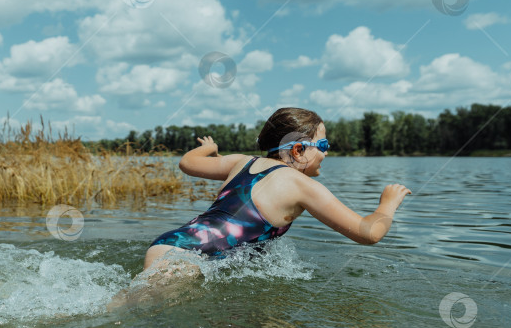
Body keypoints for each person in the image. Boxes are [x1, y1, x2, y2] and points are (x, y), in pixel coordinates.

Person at [142, 107, 412, 272]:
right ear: (299, 149)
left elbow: (187, 162)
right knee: (122, 311)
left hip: (169, 245)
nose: (327, 154)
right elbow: (369, 233)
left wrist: (210, 149)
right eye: (324, 146)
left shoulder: (241, 162)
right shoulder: (303, 186)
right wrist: (387, 203)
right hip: (187, 260)